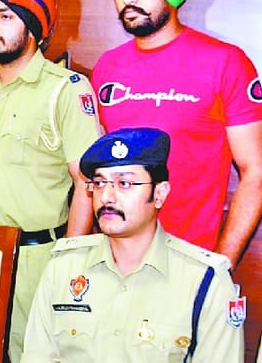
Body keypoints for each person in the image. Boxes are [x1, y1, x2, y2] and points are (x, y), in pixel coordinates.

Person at [91, 0, 262, 269]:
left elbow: (256, 172)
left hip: (188, 263)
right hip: (113, 262)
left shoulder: (225, 63)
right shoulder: (106, 68)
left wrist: (219, 267)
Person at [0, 0, 101, 361]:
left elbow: (86, 183)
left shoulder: (65, 90)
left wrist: (68, 261)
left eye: (5, 16)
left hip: (35, 258)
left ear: (32, 27)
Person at [21, 127, 244, 362]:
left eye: (124, 183)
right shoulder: (64, 267)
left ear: (159, 194)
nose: (106, 197)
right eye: (99, 183)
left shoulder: (204, 281)